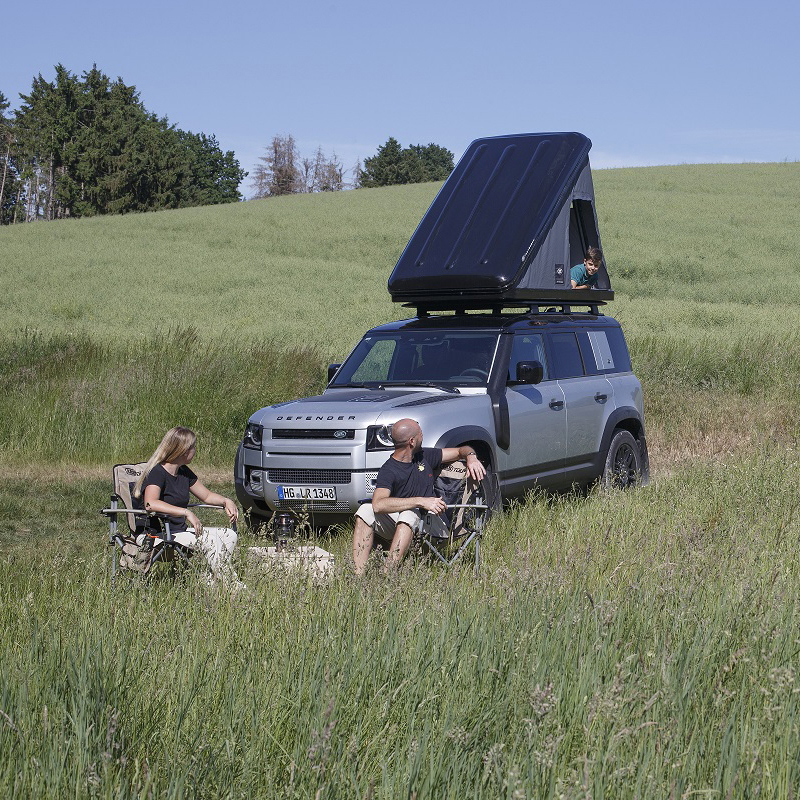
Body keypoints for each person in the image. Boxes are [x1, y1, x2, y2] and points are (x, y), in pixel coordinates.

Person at [352, 418, 486, 574]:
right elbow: (378, 504)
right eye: (420, 434)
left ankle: (387, 574)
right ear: (412, 441)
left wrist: (471, 457)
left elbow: (460, 450)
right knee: (365, 511)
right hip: (405, 525)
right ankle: (358, 575)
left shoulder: (425, 456)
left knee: (410, 513)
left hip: (435, 527)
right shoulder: (388, 470)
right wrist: (420, 501)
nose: (423, 436)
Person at [133, 426, 241, 584]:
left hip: (177, 531)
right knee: (210, 541)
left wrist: (226, 500)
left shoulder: (183, 472)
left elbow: (207, 495)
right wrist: (186, 513)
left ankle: (211, 581)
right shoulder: (157, 472)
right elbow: (150, 503)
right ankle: (230, 585)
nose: (195, 451)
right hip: (157, 534)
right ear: (183, 450)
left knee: (228, 535)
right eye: (193, 447)